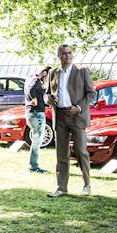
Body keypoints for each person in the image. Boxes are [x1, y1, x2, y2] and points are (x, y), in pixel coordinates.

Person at [46, 44, 96, 197]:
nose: (67, 56)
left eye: (69, 53)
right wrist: (49, 99)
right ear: (58, 56)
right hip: (59, 116)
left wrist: (79, 108)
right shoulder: (53, 73)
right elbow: (47, 93)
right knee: (61, 154)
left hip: (76, 116)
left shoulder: (81, 72)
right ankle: (61, 188)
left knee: (81, 151)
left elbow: (91, 94)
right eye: (63, 53)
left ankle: (87, 185)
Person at [25, 66, 50, 173]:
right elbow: (31, 89)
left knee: (36, 140)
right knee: (37, 141)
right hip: (36, 113)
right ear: (44, 73)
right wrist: (34, 98)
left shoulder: (30, 79)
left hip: (31, 113)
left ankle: (33, 165)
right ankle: (33, 166)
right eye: (48, 75)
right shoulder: (36, 80)